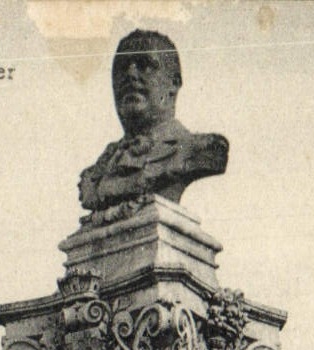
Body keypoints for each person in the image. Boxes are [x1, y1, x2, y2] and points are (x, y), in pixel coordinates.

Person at [78, 30, 228, 215]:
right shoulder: (98, 171)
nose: (131, 74)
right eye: (122, 67)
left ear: (173, 83)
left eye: (145, 65)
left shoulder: (200, 148)